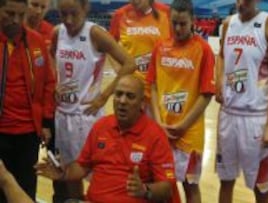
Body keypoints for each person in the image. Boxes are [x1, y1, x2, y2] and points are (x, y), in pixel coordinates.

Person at [36, 74, 177, 203]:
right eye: (119, 94)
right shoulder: (101, 126)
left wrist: (145, 190)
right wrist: (64, 173)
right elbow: (82, 166)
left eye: (130, 96)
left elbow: (167, 188)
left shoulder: (155, 135)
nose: (122, 101)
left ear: (142, 103)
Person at [50, 0, 136, 201]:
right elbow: (51, 56)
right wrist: (54, 82)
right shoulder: (57, 32)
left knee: (97, 175)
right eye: (63, 14)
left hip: (87, 117)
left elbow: (129, 63)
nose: (69, 20)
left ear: (85, 8)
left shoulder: (95, 33)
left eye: (74, 13)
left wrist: (104, 95)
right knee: (71, 175)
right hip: (63, 115)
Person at [214, 0, 268, 202]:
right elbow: (221, 55)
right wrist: (218, 80)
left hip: (256, 118)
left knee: (260, 188)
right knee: (225, 181)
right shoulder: (228, 24)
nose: (240, 2)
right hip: (228, 114)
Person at [147, 0, 215, 202]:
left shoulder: (203, 50)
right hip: (162, 130)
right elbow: (152, 85)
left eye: (183, 23)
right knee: (161, 185)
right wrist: (158, 122)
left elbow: (207, 94)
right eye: (174, 22)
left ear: (193, 21)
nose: (177, 28)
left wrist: (183, 125)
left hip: (190, 134)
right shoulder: (160, 47)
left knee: (191, 186)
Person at [0, 0, 56, 201]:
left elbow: (49, 83)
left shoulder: (36, 41)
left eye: (20, 15)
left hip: (28, 134)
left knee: (25, 190)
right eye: (9, 13)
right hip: (1, 132)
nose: (15, 20)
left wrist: (47, 121)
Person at [109, 0, 171, 111]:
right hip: (132, 91)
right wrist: (118, 69)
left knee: (157, 128)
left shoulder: (166, 13)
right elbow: (109, 45)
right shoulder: (120, 15)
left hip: (160, 89)